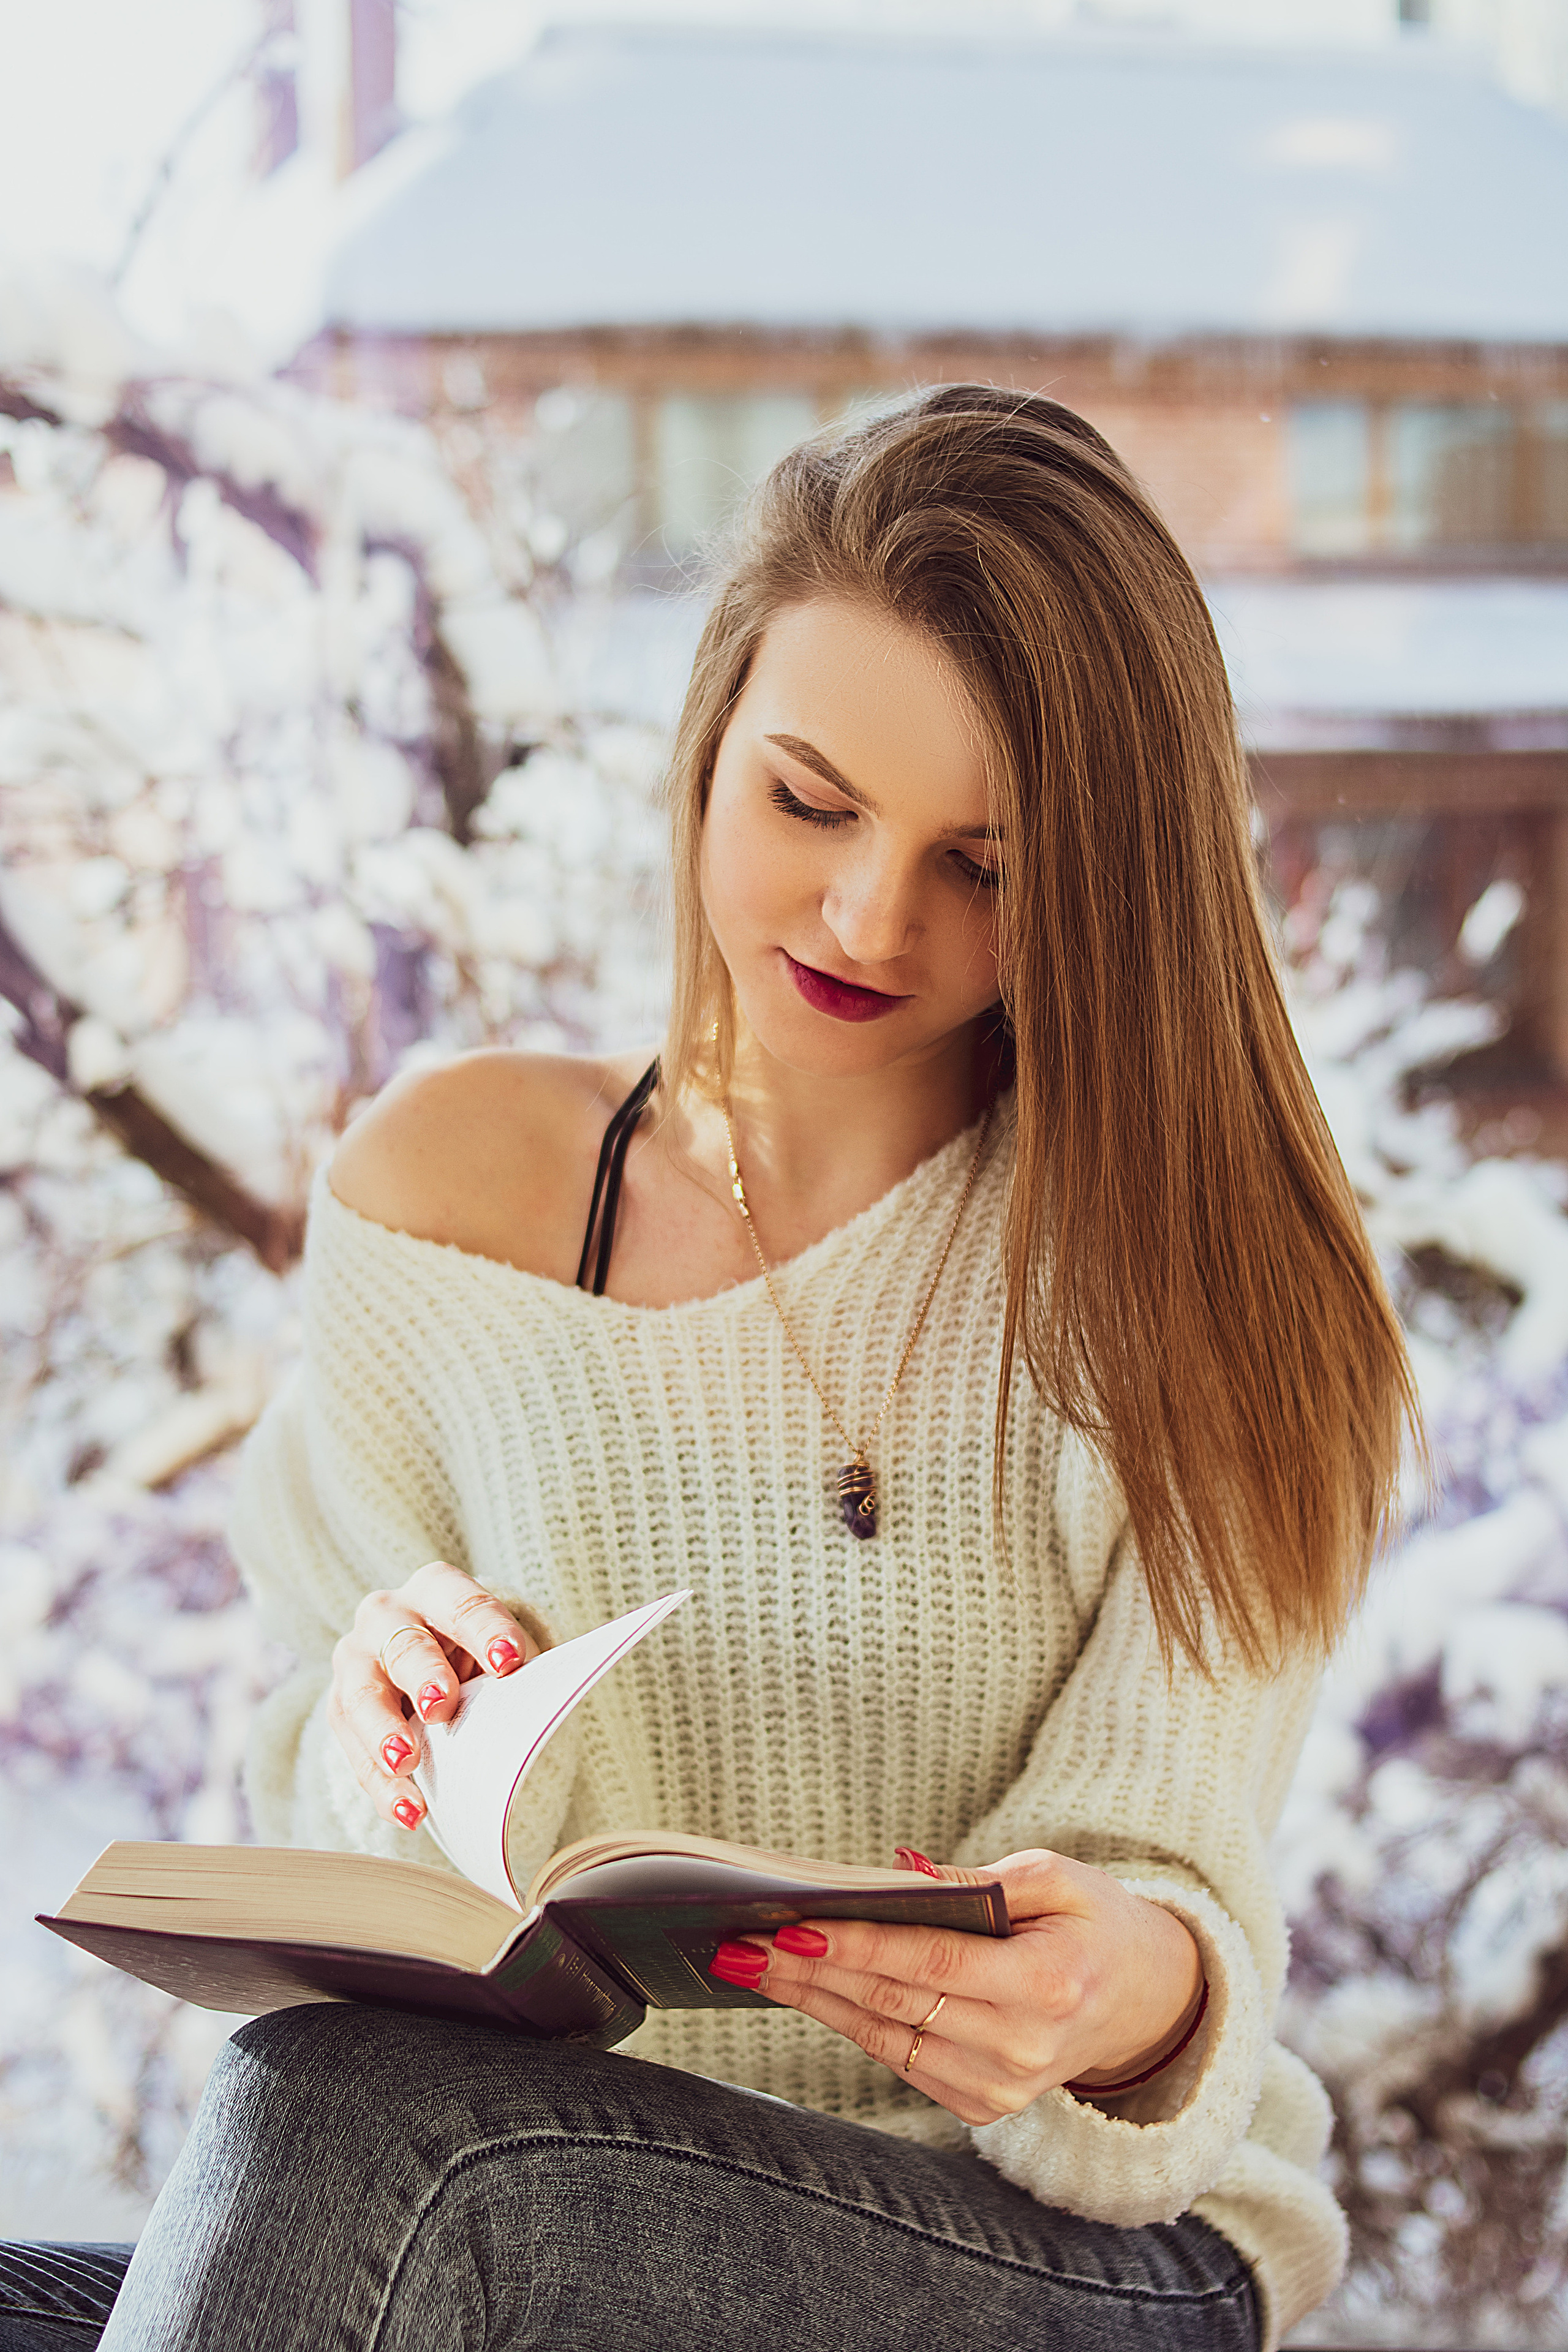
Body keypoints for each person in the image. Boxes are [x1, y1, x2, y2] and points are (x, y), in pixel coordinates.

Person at [1, 386, 1415, 2352]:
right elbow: (329, 1821)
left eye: (983, 868)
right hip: (526, 2182)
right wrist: (383, 1729)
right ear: (707, 750)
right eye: (810, 801)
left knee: (345, 2136)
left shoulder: (1186, 1264)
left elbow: (1168, 1871)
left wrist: (1118, 1990)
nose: (865, 915)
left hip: (1053, 2249)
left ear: (1101, 884)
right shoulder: (445, 1199)